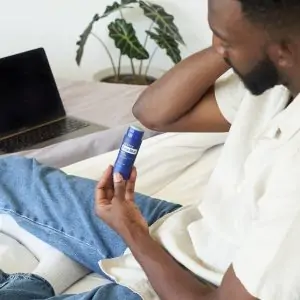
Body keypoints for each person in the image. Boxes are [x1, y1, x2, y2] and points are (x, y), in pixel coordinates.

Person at [1, 0, 300, 299]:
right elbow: (152, 112)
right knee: (9, 173)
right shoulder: (277, 79)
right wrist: (230, 45)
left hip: (196, 284)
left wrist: (132, 232)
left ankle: (31, 284)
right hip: (186, 232)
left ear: (282, 51)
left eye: (226, 41)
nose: (216, 48)